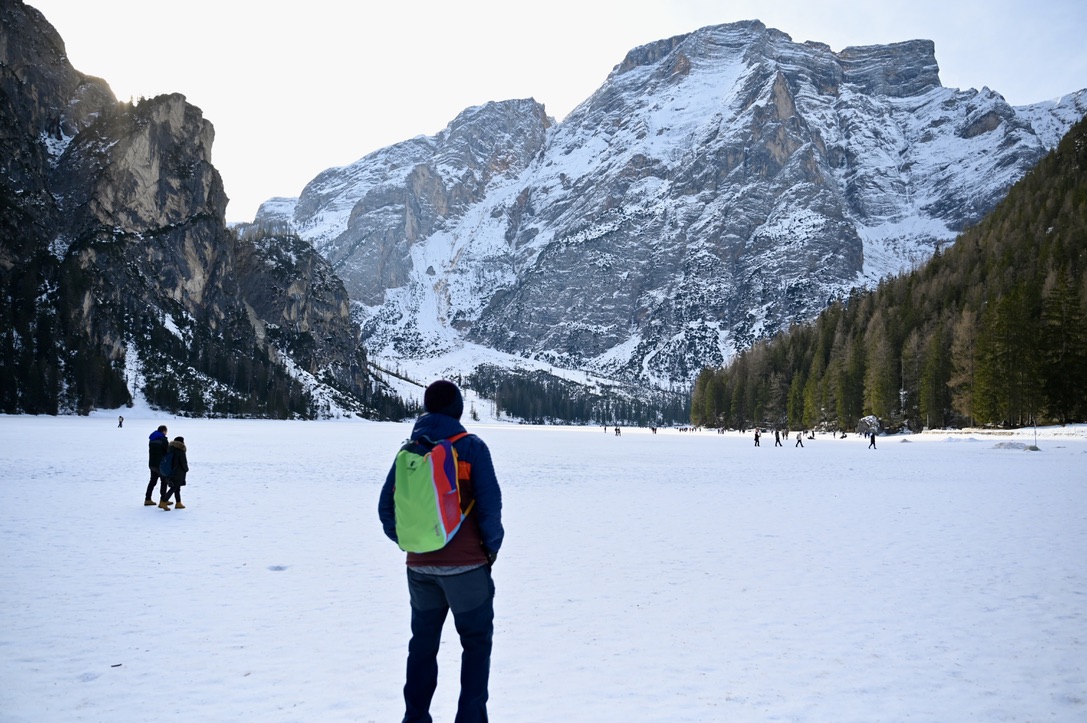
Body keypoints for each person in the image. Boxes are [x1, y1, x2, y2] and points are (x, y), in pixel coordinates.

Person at [379, 380, 504, 723]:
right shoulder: (471, 447)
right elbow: (491, 508)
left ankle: (415, 718)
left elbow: (385, 510)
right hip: (467, 569)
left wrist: (413, 543)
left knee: (422, 646)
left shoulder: (409, 450)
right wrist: (488, 552)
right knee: (476, 644)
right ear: (458, 409)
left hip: (419, 569)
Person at [159, 436, 189, 510]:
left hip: (170, 471)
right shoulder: (180, 450)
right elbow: (183, 463)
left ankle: (178, 502)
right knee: (174, 487)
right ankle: (163, 501)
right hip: (178, 472)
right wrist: (186, 469)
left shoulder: (170, 448)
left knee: (177, 487)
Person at [144, 425, 169, 506]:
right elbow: (167, 451)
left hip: (152, 463)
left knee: (152, 481)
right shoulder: (163, 440)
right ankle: (163, 500)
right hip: (160, 464)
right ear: (164, 431)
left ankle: (147, 499)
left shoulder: (152, 440)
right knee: (164, 481)